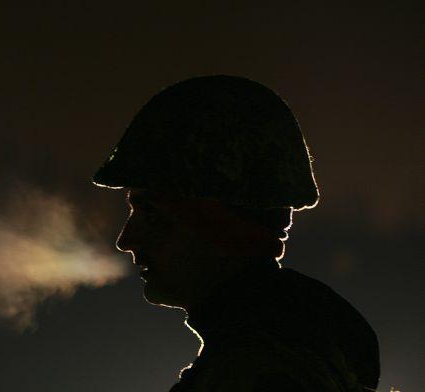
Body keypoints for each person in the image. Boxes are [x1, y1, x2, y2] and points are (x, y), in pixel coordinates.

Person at [93, 76, 380, 391]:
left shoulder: (255, 375)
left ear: (216, 225)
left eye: (151, 213)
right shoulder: (289, 353)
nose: (127, 240)